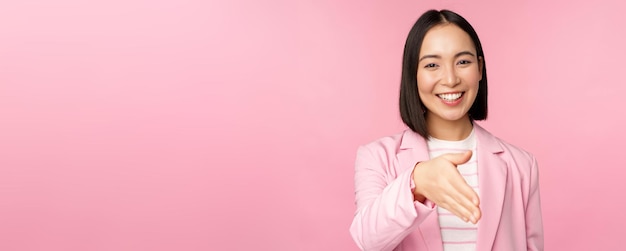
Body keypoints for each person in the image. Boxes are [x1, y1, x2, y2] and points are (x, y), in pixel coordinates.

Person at [349, 9, 544, 251]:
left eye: (463, 62)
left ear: (480, 69)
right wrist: (416, 182)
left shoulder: (522, 165)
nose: (450, 79)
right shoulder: (376, 156)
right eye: (432, 65)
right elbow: (367, 240)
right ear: (414, 74)